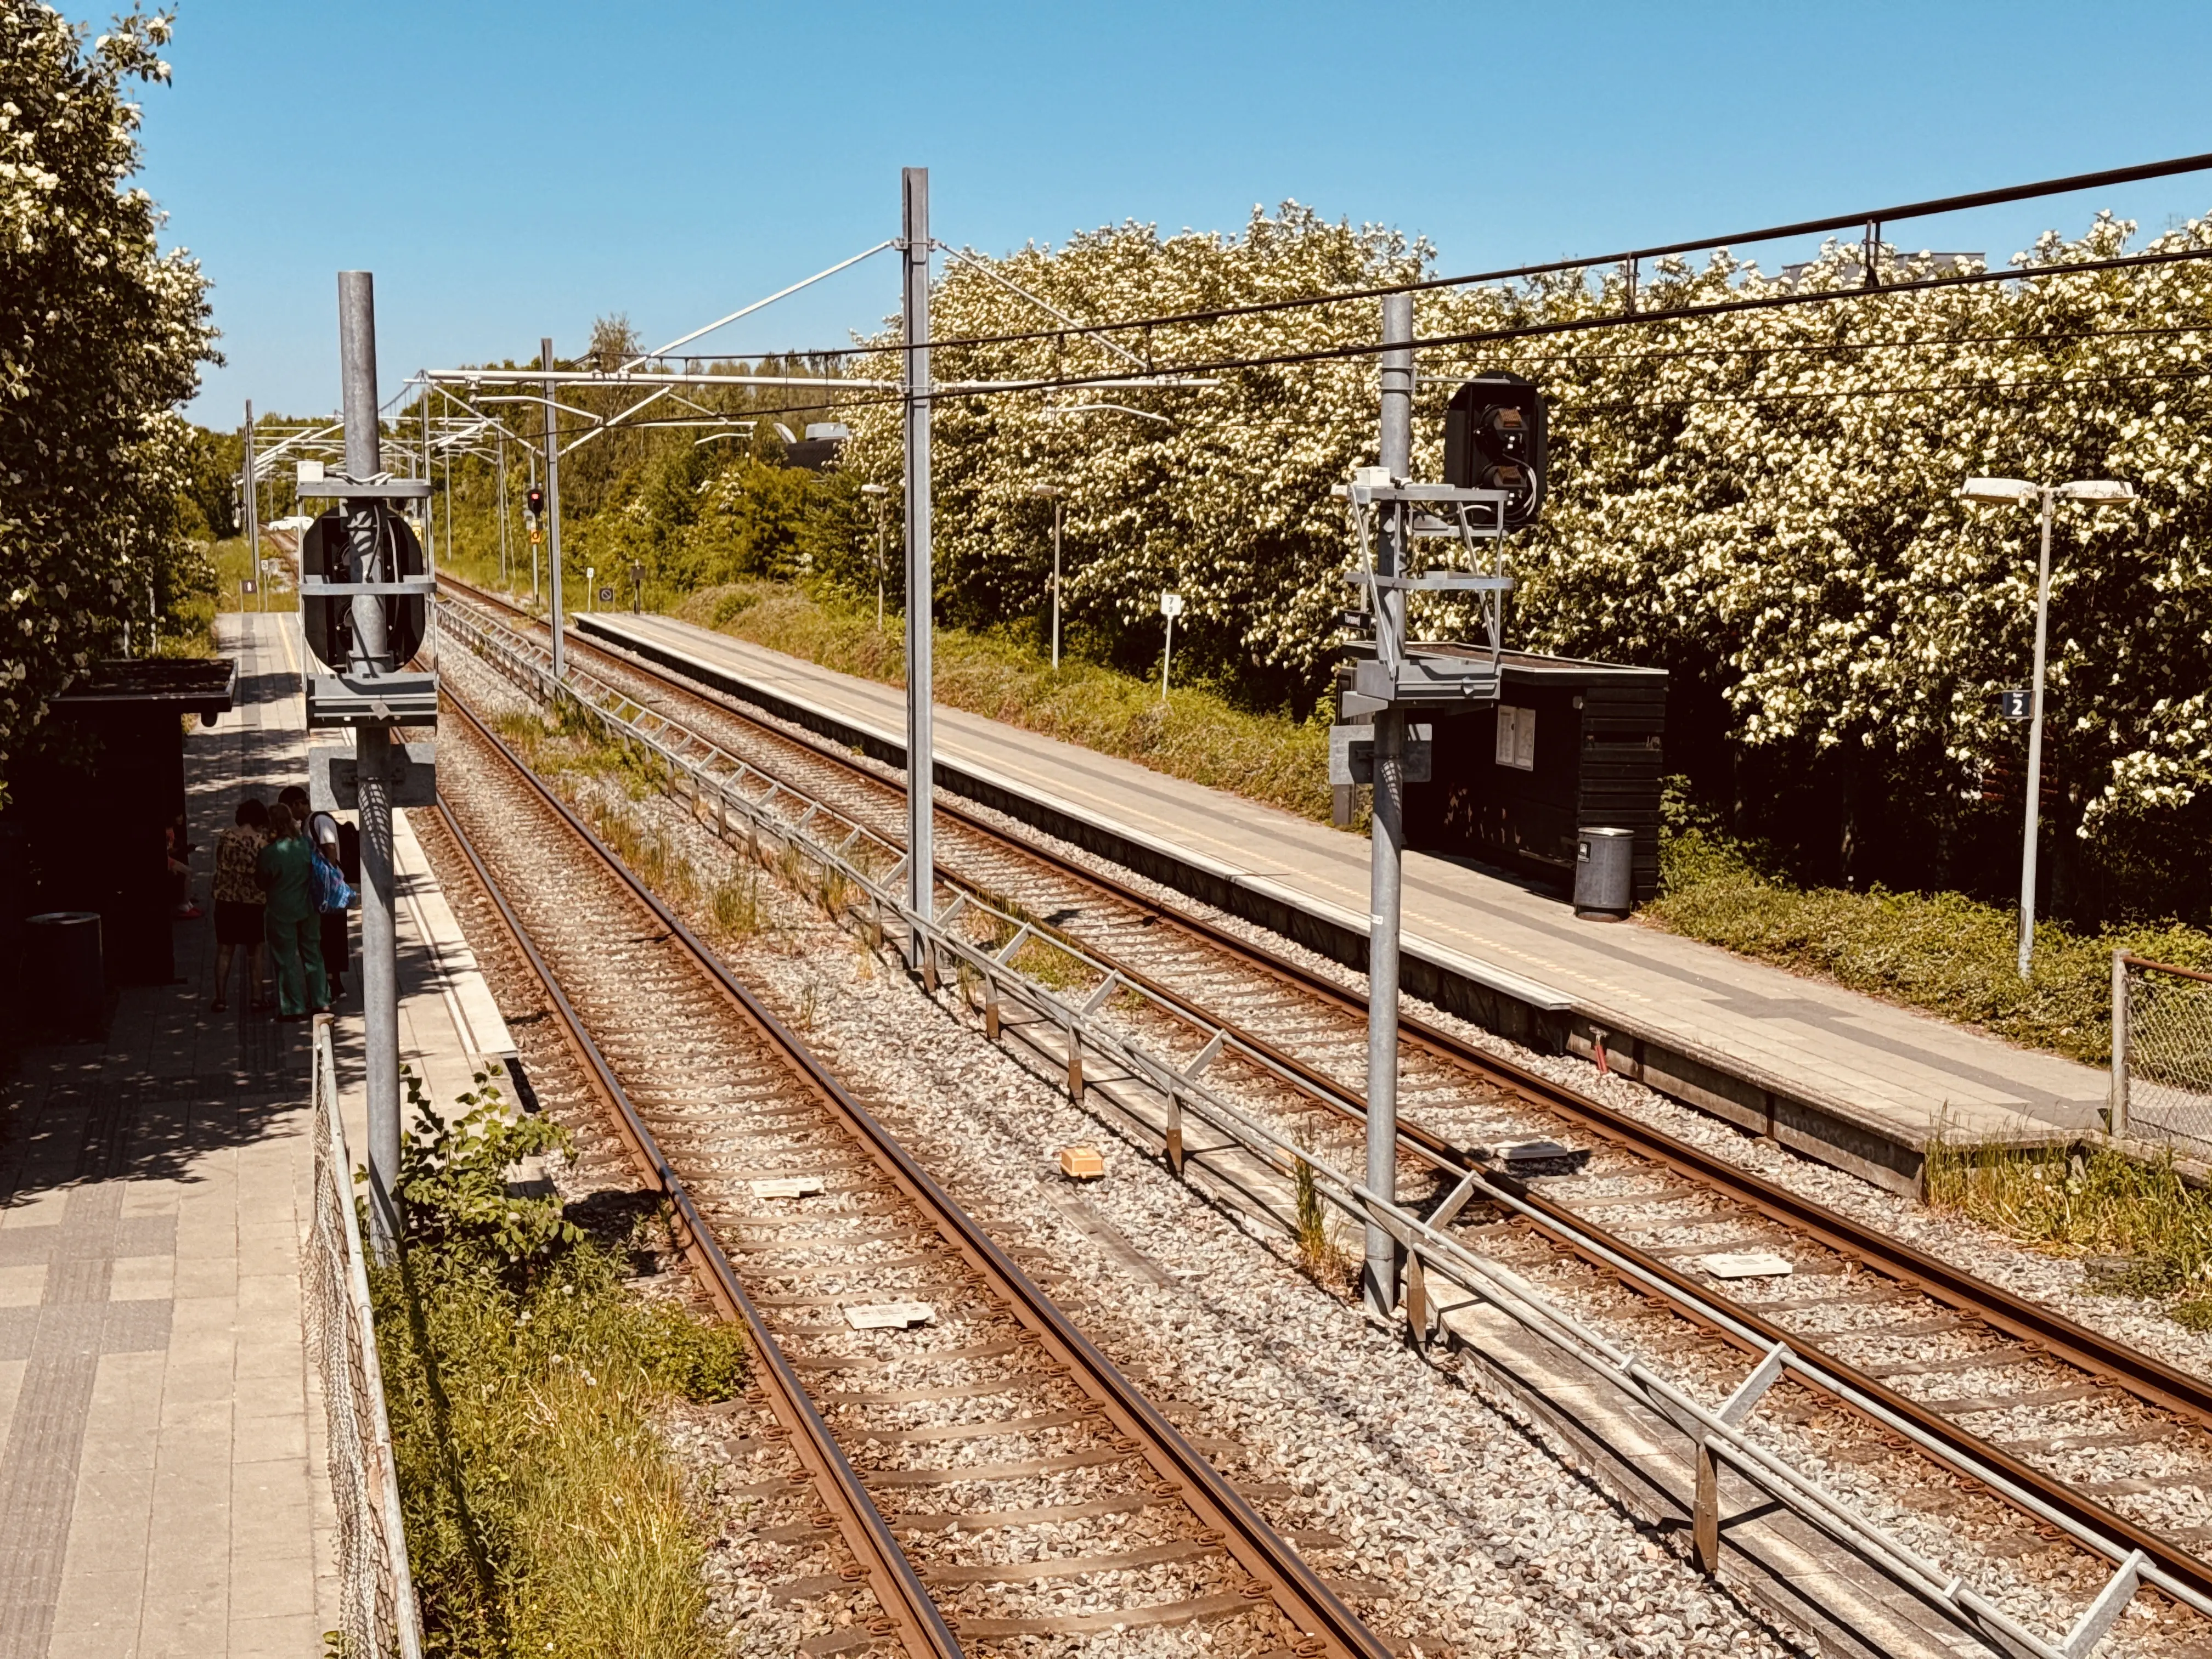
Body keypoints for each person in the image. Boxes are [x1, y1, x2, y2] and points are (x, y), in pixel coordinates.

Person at [255, 804, 329, 1022]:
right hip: (308, 906)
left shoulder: (270, 853)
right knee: (313, 953)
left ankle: (293, 1007)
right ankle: (321, 1000)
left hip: (281, 909)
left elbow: (261, 882)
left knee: (285, 959)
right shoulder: (306, 844)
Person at [280, 785, 349, 999]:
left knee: (330, 936)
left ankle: (333, 984)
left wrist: (327, 881)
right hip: (322, 888)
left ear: (297, 804)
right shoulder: (308, 823)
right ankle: (333, 982)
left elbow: (330, 849)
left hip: (329, 889)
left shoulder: (320, 820)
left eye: (290, 809)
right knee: (326, 936)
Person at [210, 797, 272, 1013]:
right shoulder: (262, 842)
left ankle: (220, 998)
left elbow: (219, 862)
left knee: (225, 950)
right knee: (256, 951)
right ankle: (257, 997)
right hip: (253, 901)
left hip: (225, 900)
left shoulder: (226, 837)